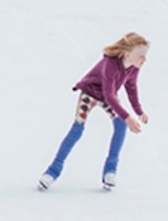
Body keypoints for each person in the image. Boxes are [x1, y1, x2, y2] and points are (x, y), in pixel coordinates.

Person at [37, 31, 151, 192]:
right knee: (77, 129)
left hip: (107, 96)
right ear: (127, 55)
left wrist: (139, 111)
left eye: (145, 56)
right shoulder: (110, 64)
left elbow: (131, 87)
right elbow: (110, 95)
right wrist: (127, 117)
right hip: (90, 93)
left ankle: (110, 172)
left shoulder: (133, 68)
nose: (144, 60)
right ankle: (52, 171)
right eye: (141, 56)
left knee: (120, 126)